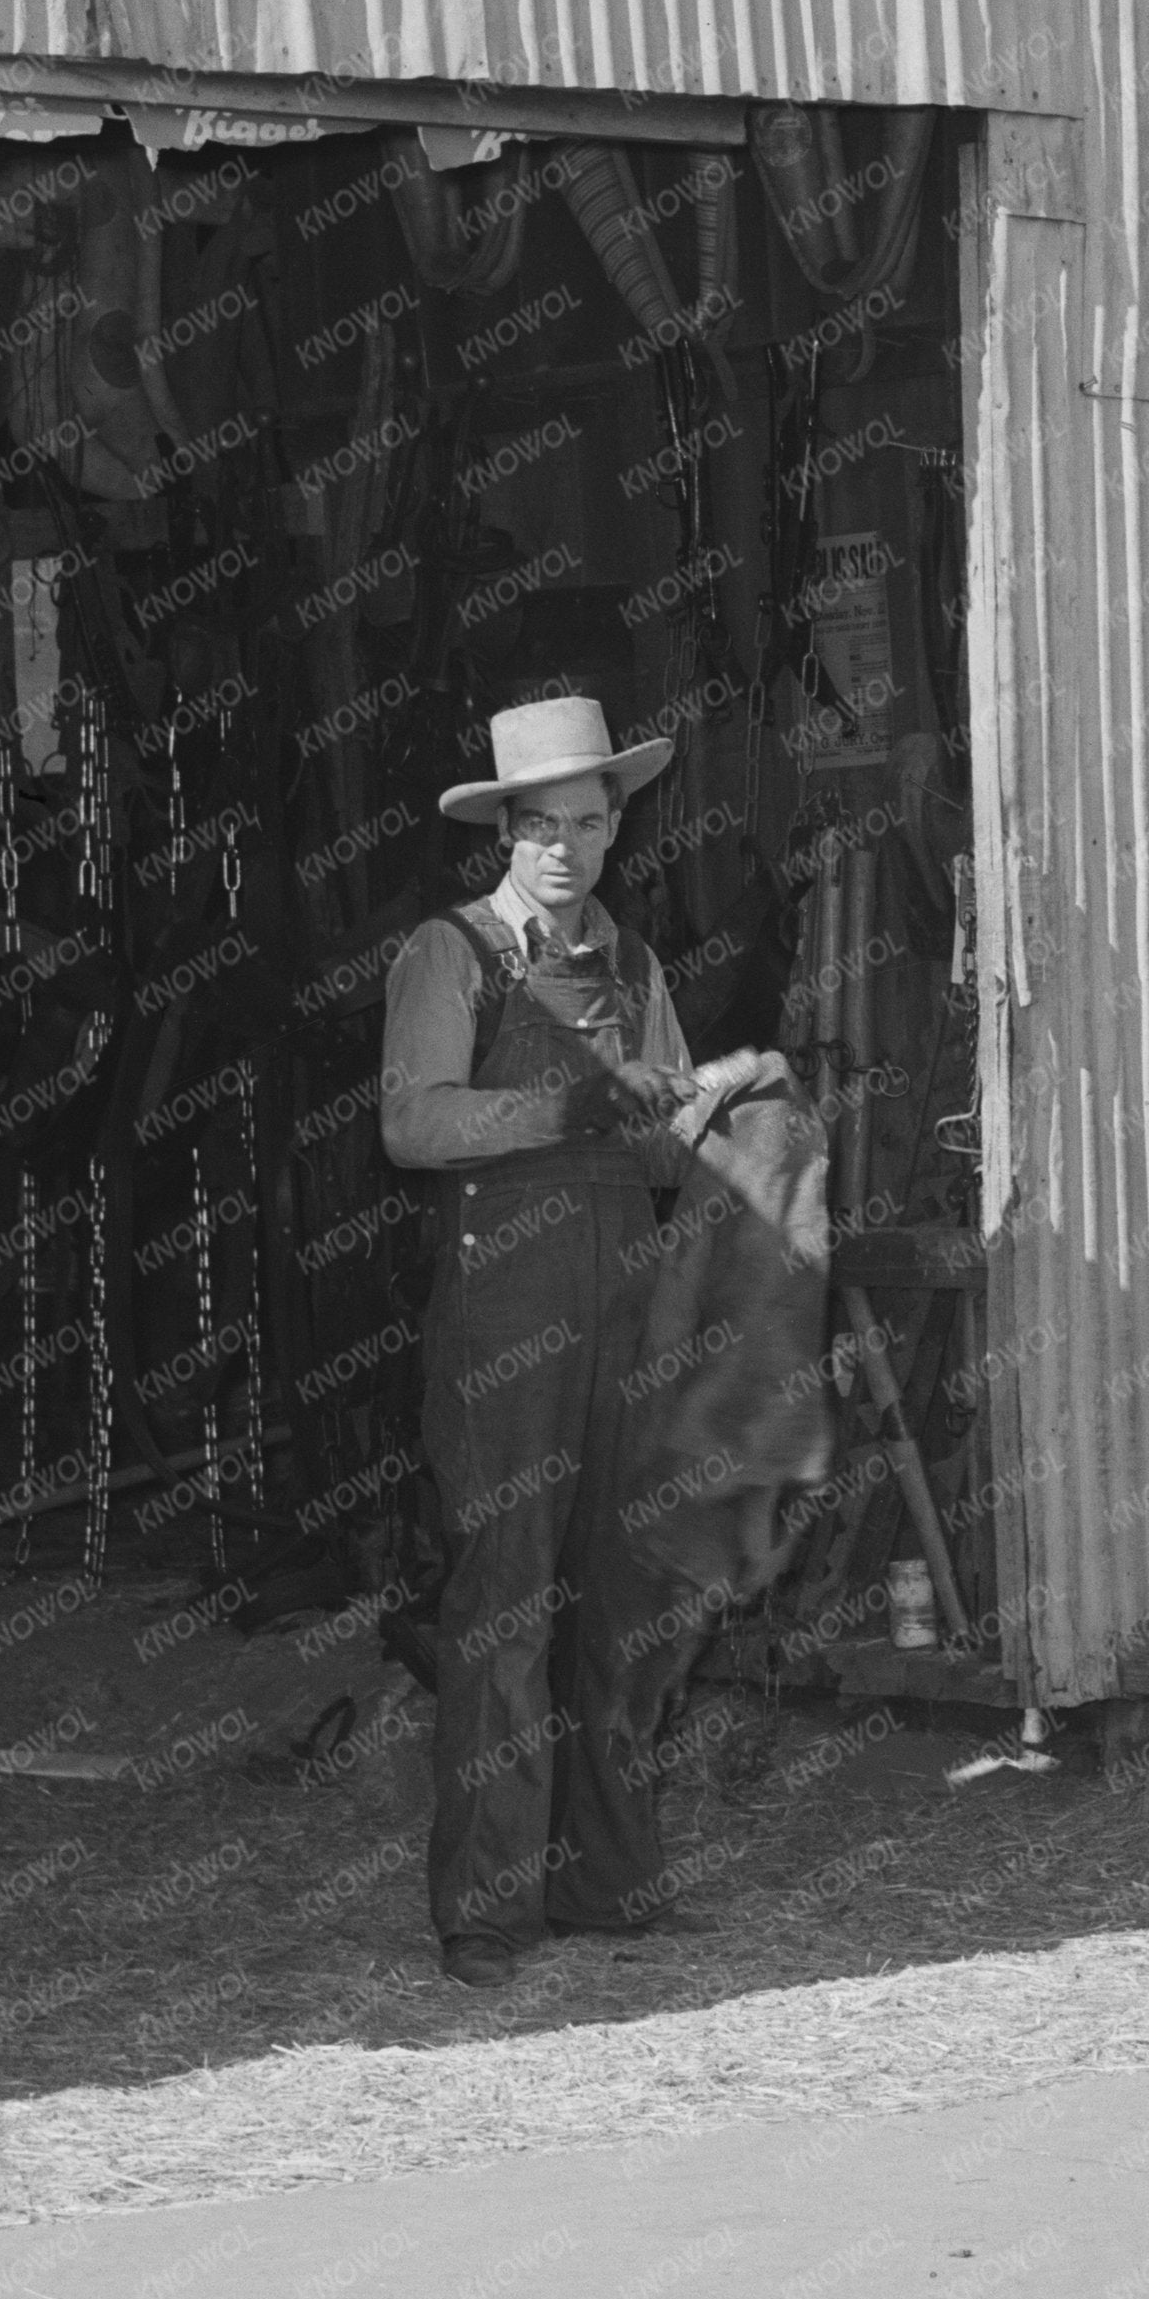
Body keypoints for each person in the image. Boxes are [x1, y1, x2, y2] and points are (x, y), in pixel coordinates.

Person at [376, 690, 780, 1984]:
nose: (565, 845)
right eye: (540, 824)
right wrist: (572, 1104)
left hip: (621, 1311)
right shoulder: (449, 957)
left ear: (615, 827)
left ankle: (606, 1885)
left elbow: (659, 1150)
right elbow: (415, 1126)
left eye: (588, 822)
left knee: (619, 1600)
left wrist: (714, 1111)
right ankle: (487, 1912)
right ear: (505, 829)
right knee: (503, 1602)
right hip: (504, 1317)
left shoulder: (640, 969)